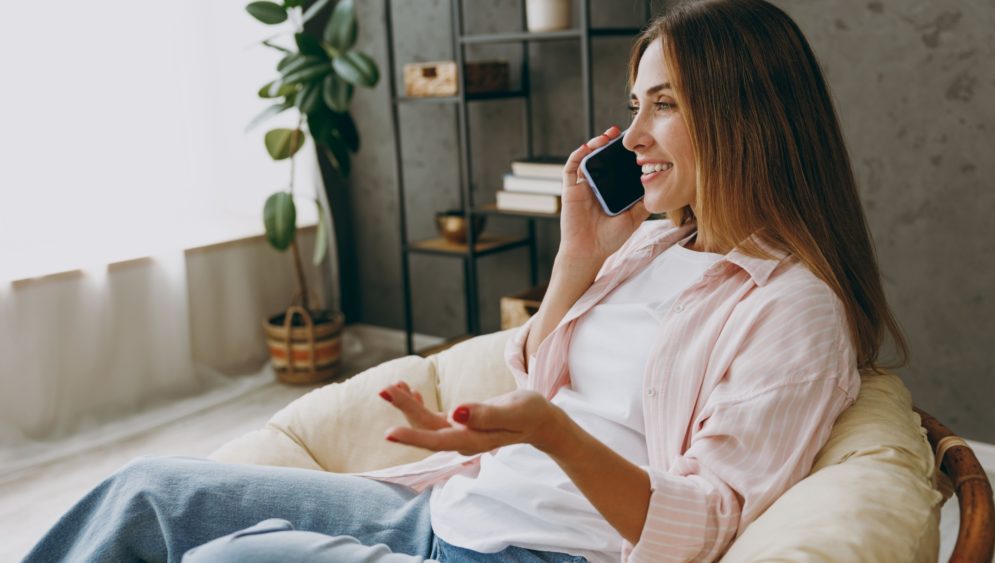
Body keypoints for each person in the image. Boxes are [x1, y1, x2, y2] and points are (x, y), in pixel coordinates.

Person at [23, 1, 908, 562]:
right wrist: (577, 257)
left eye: (665, 104)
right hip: (452, 510)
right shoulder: (651, 247)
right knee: (150, 491)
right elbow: (538, 376)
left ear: (747, 115)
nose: (634, 133)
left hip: (536, 550)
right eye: (636, 102)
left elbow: (706, 523)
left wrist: (554, 437)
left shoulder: (795, 310)